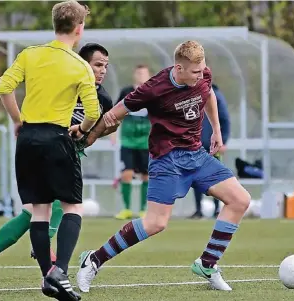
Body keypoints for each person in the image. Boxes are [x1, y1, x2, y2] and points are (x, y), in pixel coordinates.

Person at [74, 40, 251, 293]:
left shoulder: (203, 74)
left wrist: (217, 131)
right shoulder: (153, 88)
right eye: (195, 72)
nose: (201, 75)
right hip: (166, 159)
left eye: (203, 71)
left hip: (196, 155)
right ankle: (94, 259)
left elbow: (208, 92)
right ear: (178, 68)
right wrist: (87, 138)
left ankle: (207, 263)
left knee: (240, 200)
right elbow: (114, 114)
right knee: (155, 223)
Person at [0, 41, 114, 296]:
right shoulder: (66, 86)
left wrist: (95, 132)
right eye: (98, 65)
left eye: (106, 66)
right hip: (47, 150)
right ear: (82, 65)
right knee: (53, 208)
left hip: (64, 156)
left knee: (32, 213)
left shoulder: (103, 99)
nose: (102, 71)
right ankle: (50, 264)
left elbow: (100, 126)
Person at [111, 65, 151, 220]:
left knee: (146, 175)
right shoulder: (126, 92)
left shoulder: (152, 93)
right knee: (126, 173)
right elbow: (116, 112)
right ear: (134, 75)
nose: (141, 76)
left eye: (144, 73)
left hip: (146, 142)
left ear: (149, 76)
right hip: (128, 141)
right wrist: (113, 133)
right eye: (139, 73)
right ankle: (126, 208)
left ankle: (143, 209)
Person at [189, 84, 231, 219]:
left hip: (213, 145)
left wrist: (223, 140)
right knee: (195, 177)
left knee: (215, 176)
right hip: (195, 145)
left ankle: (217, 209)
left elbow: (225, 119)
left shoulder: (215, 95)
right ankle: (198, 210)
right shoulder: (190, 94)